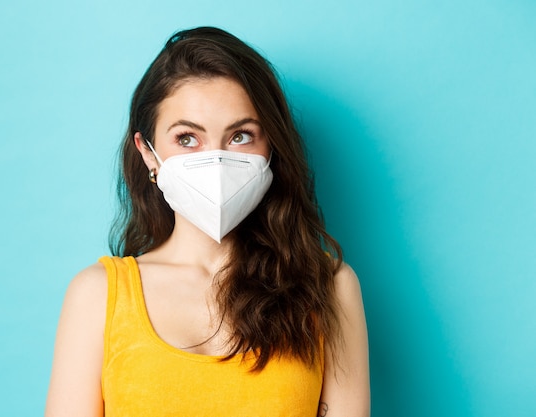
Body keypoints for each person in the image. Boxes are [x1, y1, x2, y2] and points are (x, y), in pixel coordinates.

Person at [45, 26, 369, 417]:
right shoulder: (97, 295)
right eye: (187, 138)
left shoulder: (329, 286)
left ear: (271, 147)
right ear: (147, 152)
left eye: (240, 136)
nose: (215, 161)